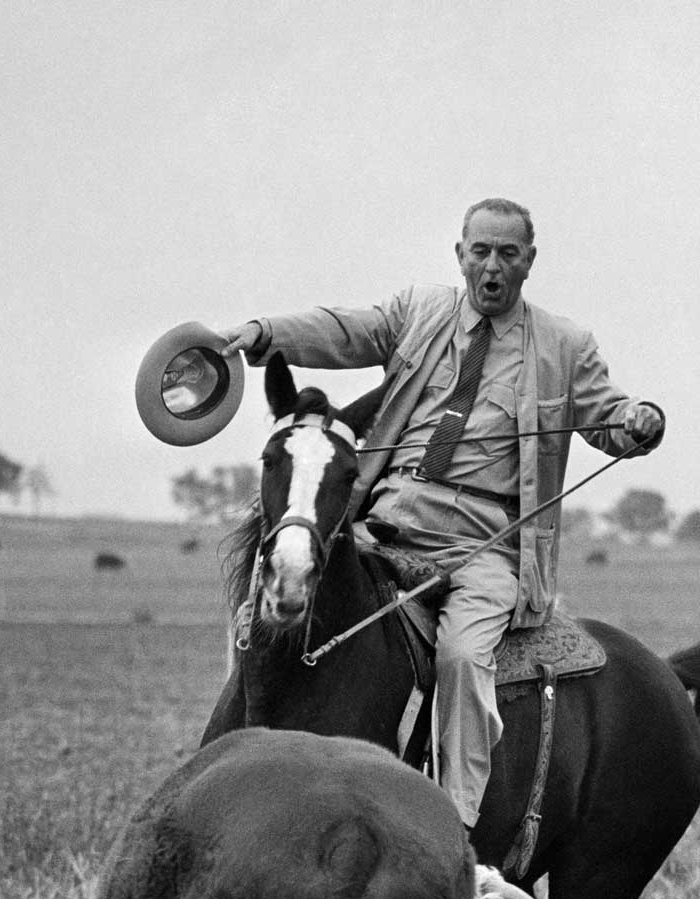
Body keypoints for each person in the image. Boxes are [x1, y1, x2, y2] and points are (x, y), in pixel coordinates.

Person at [220, 197, 664, 831]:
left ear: (529, 262)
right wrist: (265, 336)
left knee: (459, 655)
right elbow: (345, 330)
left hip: (484, 551)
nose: (492, 266)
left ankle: (451, 826)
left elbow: (610, 417)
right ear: (460, 254)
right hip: (384, 525)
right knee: (271, 604)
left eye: (507, 254)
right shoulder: (418, 313)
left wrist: (636, 423)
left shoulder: (565, 347)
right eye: (480, 251)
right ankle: (232, 773)